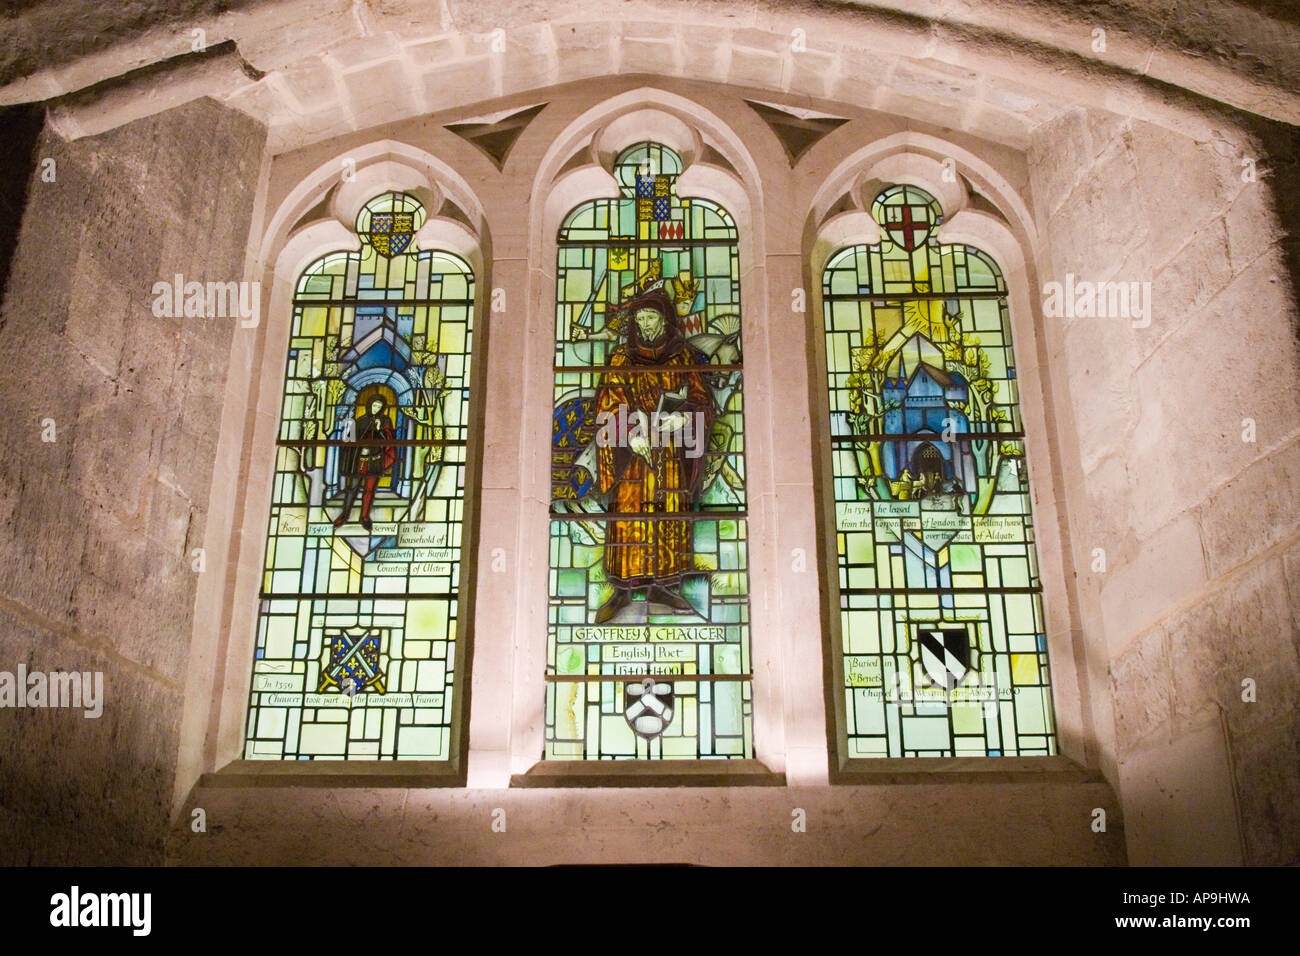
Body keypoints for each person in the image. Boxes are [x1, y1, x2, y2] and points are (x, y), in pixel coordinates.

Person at [593, 287, 713, 623]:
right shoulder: (621, 359)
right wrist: (629, 434)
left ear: (665, 320)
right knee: (629, 515)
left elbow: (702, 399)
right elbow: (608, 401)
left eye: (652, 317)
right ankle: (622, 590)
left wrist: (685, 414)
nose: (646, 324)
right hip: (634, 454)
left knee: (668, 511)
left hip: (670, 449)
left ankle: (663, 584)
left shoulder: (683, 358)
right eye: (641, 318)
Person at [334, 396, 396, 532]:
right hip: (360, 460)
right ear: (369, 405)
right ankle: (345, 515)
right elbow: (350, 441)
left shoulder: (385, 421)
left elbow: (389, 440)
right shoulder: (361, 421)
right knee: (353, 488)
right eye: (374, 406)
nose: (376, 409)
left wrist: (380, 429)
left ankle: (364, 517)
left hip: (374, 460)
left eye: (379, 407)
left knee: (369, 490)